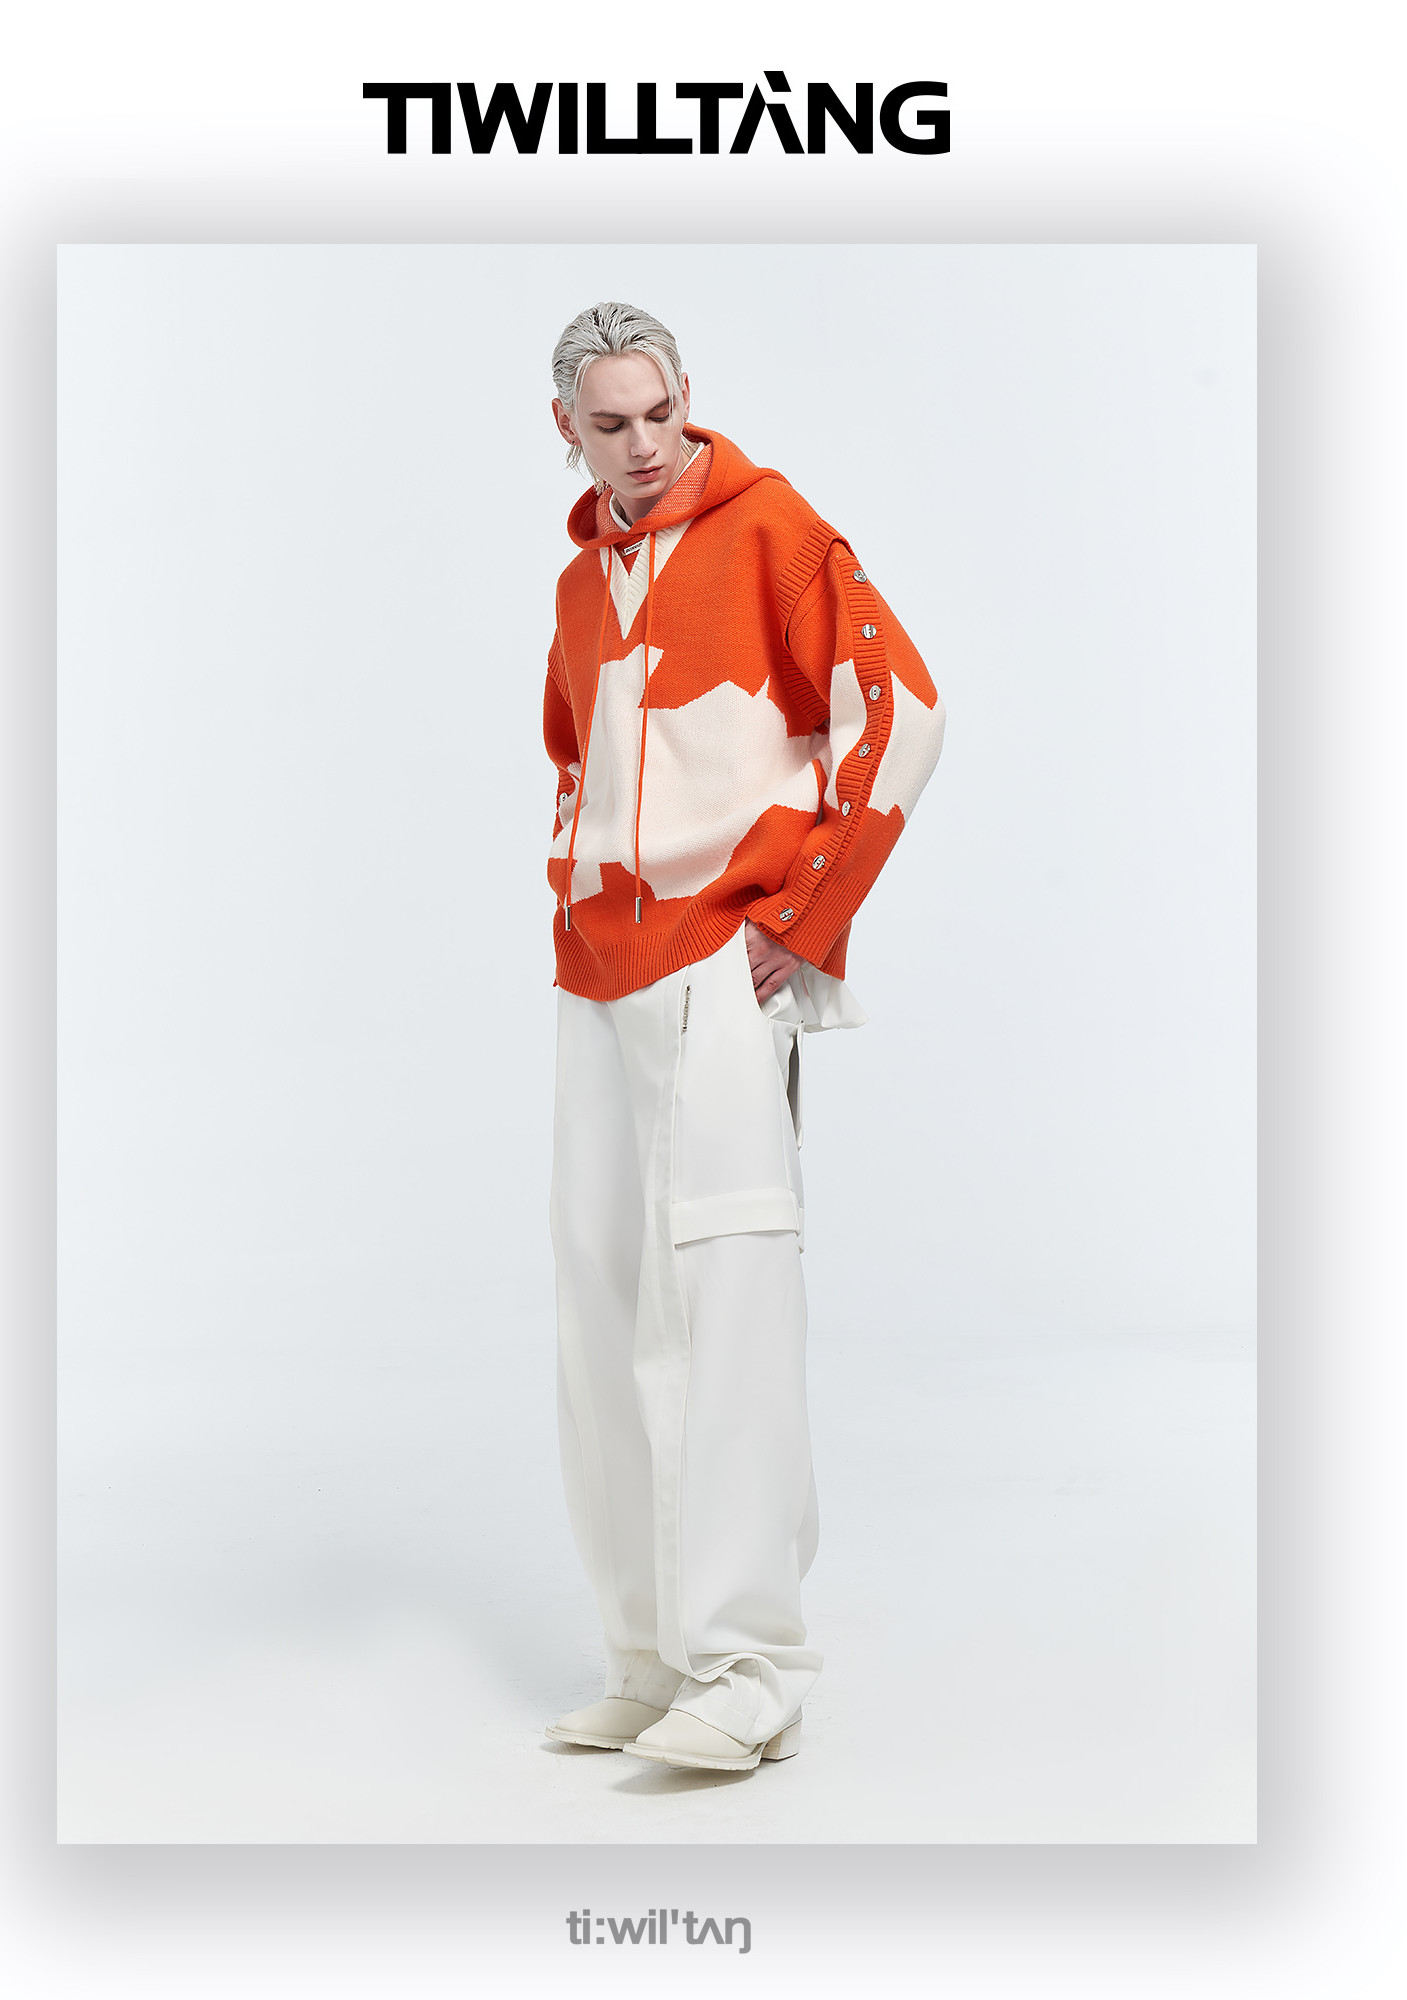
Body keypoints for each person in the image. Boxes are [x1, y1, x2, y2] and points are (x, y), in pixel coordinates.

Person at [541, 301, 944, 1775]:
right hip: (599, 969)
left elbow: (902, 712)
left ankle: (751, 1661)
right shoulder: (581, 581)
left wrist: (804, 911)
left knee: (725, 1291)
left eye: (660, 413)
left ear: (685, 399)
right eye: (610, 424)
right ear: (568, 430)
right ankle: (651, 1655)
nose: (643, 445)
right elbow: (575, 757)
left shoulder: (774, 531)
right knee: (602, 1301)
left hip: (721, 957)